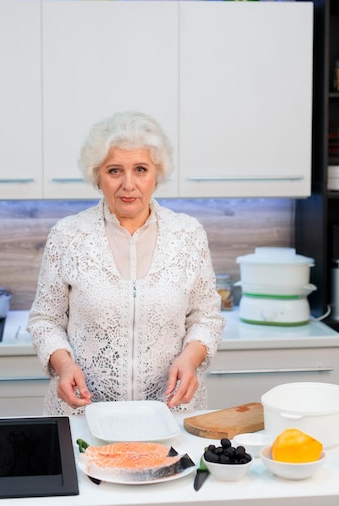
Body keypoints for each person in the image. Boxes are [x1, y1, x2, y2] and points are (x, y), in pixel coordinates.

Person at [28, 111, 225, 415]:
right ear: (98, 176)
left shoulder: (188, 235)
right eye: (115, 171)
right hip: (85, 414)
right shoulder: (68, 236)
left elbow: (207, 318)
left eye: (141, 169)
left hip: (170, 414)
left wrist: (190, 359)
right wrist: (64, 365)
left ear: (156, 174)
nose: (128, 184)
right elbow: (45, 320)